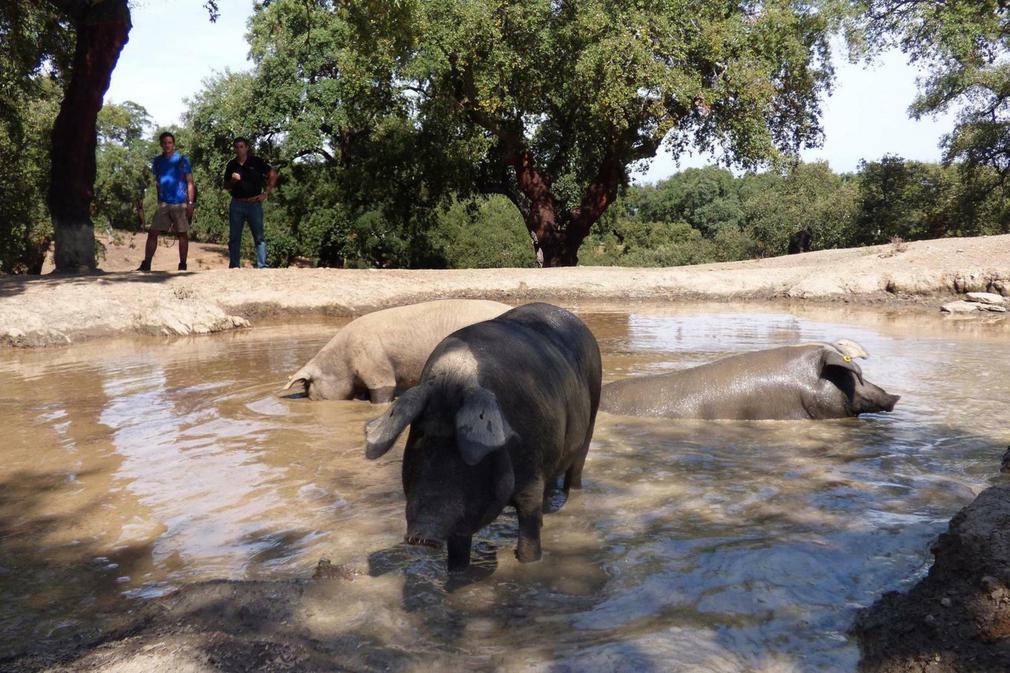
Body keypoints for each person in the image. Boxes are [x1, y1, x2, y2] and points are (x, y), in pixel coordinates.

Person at [137, 131, 194, 271]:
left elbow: (190, 182)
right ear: (161, 145)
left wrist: (190, 203)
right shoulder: (157, 161)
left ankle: (182, 265)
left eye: (170, 143)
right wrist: (158, 199)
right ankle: (147, 263)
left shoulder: (182, 159)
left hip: (180, 202)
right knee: (153, 232)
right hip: (164, 202)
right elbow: (157, 182)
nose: (167, 145)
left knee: (182, 234)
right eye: (165, 143)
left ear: (173, 144)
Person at [224, 137, 278, 268]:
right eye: (236, 147)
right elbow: (225, 186)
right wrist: (232, 181)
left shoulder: (256, 162)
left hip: (254, 204)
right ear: (234, 148)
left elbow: (273, 174)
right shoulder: (231, 165)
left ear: (247, 147)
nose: (239, 149)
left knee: (259, 237)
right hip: (237, 204)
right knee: (234, 238)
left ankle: (262, 265)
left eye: (241, 146)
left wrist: (266, 193)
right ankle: (234, 266)